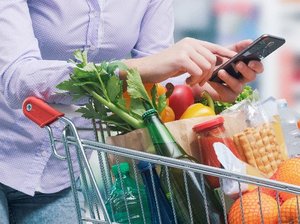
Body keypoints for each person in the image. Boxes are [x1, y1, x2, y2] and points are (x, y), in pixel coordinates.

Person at [0, 0, 263, 223]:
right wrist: (135, 68)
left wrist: (200, 83)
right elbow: (17, 79)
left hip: (62, 171)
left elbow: (153, 85)